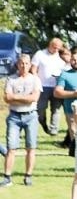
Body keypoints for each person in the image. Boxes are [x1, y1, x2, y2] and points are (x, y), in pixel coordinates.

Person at [3, 53, 42, 186]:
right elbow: (7, 98)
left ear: (30, 65)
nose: (24, 66)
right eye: (21, 63)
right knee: (11, 148)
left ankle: (28, 175)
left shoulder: (35, 80)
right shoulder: (11, 79)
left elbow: (34, 98)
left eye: (26, 63)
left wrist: (16, 97)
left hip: (30, 116)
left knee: (30, 147)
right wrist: (25, 98)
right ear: (17, 65)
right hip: (14, 116)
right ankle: (7, 177)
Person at [53, 48, 77, 154]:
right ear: (70, 60)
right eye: (74, 60)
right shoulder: (65, 75)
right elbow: (57, 93)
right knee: (75, 134)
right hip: (71, 111)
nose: (76, 62)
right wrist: (76, 94)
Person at [31, 38, 66, 136]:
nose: (56, 50)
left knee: (56, 109)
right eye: (54, 48)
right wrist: (36, 81)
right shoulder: (40, 54)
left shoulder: (61, 57)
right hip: (42, 86)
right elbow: (33, 69)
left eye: (58, 48)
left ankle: (53, 130)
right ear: (50, 45)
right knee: (40, 109)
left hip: (56, 86)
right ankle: (43, 124)